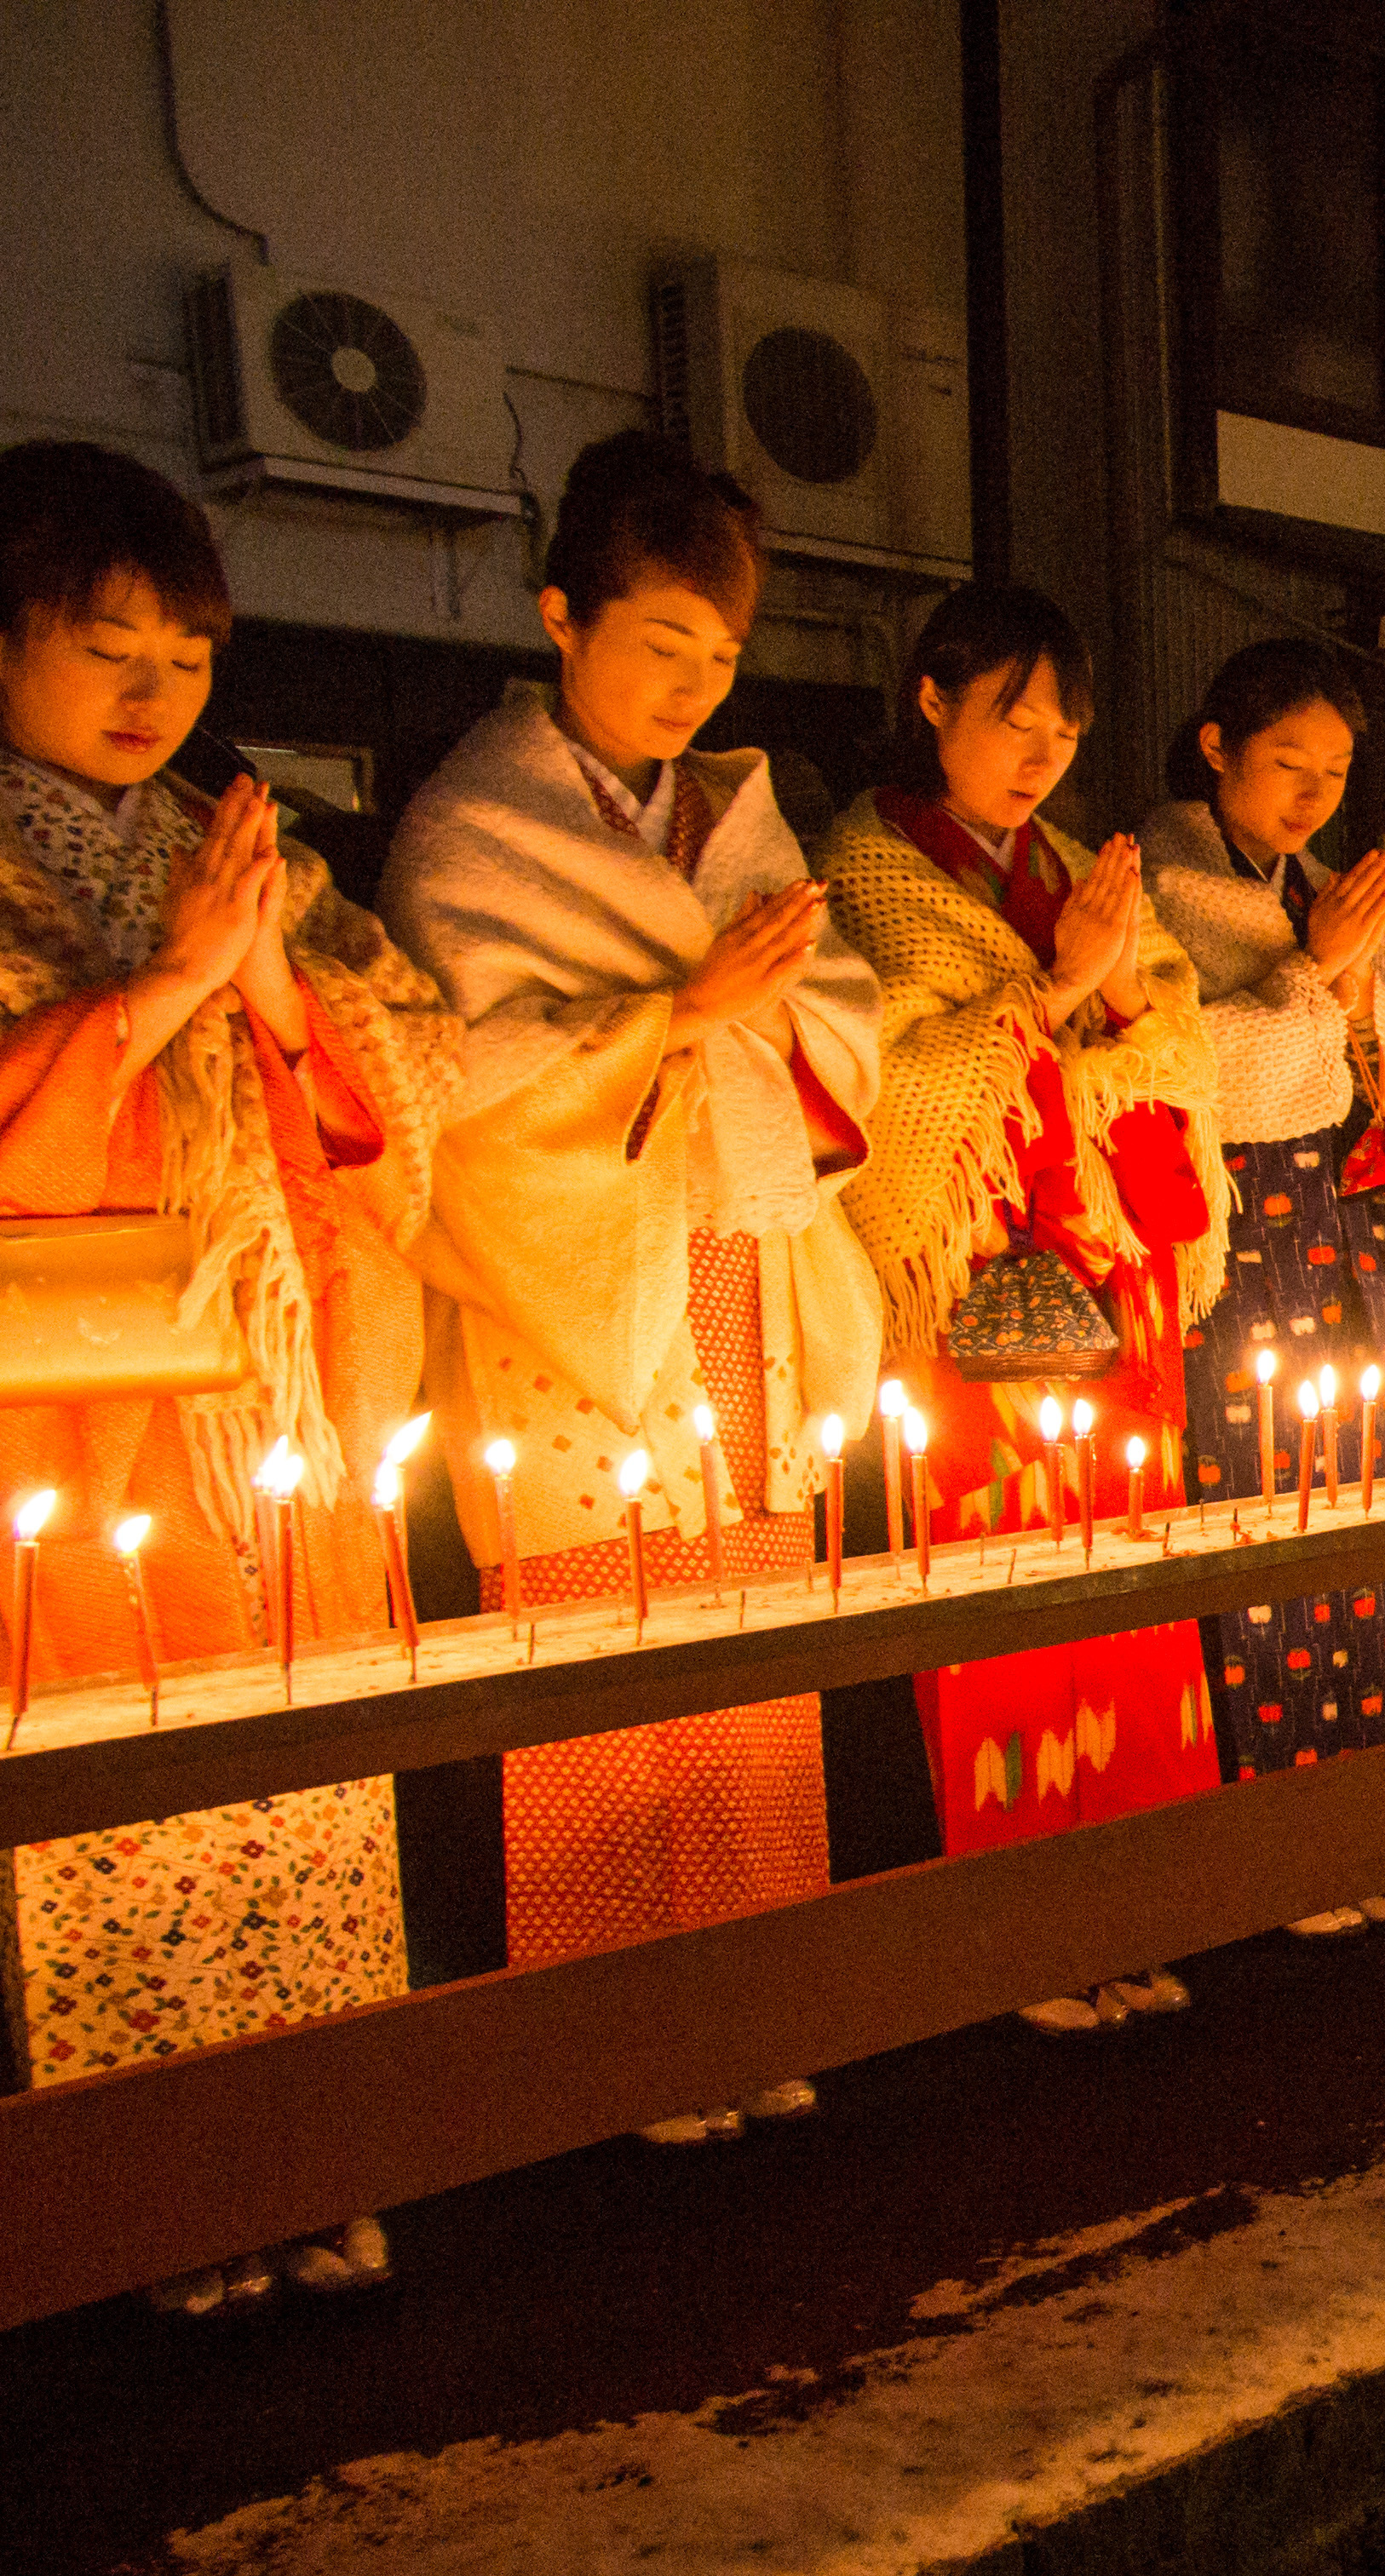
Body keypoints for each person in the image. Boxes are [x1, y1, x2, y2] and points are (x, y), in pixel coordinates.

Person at [0, 442, 455, 2308]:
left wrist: (269, 989)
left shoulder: (245, 849)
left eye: (186, 658)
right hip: (90, 1402)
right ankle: (157, 2197)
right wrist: (161, 994)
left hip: (270, 1393)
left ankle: (314, 2149)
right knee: (127, 1796)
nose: (152, 694)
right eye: (108, 647)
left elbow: (401, 1085)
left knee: (299, 1780)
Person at [388, 431, 882, 2144]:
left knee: (742, 1613)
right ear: (560, 616)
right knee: (599, 1628)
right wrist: (675, 1015)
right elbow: (457, 1085)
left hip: (731, 1255)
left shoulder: (732, 817)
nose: (690, 687)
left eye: (720, 659)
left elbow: (845, 1023)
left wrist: (758, 1005)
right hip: (575, 1277)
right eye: (658, 643)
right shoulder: (473, 827)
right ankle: (614, 2039)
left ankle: (754, 1994)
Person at [822, 582, 1229, 2028]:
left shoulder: (1073, 858)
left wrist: (1106, 1007)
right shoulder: (867, 865)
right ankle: (1017, 1930)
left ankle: (1135, 1896)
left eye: (1063, 725)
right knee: (997, 1597)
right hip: (971, 1275)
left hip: (1105, 1268)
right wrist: (1056, 992)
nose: (1042, 750)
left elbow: (1177, 1032)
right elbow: (892, 1072)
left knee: (1121, 1585)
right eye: (1012, 716)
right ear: (931, 700)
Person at [1137, 636, 1385, 1934]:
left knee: (1359, 1514)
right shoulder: (1158, 887)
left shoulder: (1332, 894)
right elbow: (1191, 1072)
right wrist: (1312, 978)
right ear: (1215, 746)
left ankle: (1373, 1809)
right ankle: (1277, 1843)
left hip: (1336, 1243)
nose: (1313, 796)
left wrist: (1342, 984)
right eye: (1287, 764)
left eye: (1334, 772)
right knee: (1257, 1508)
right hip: (1234, 1250)